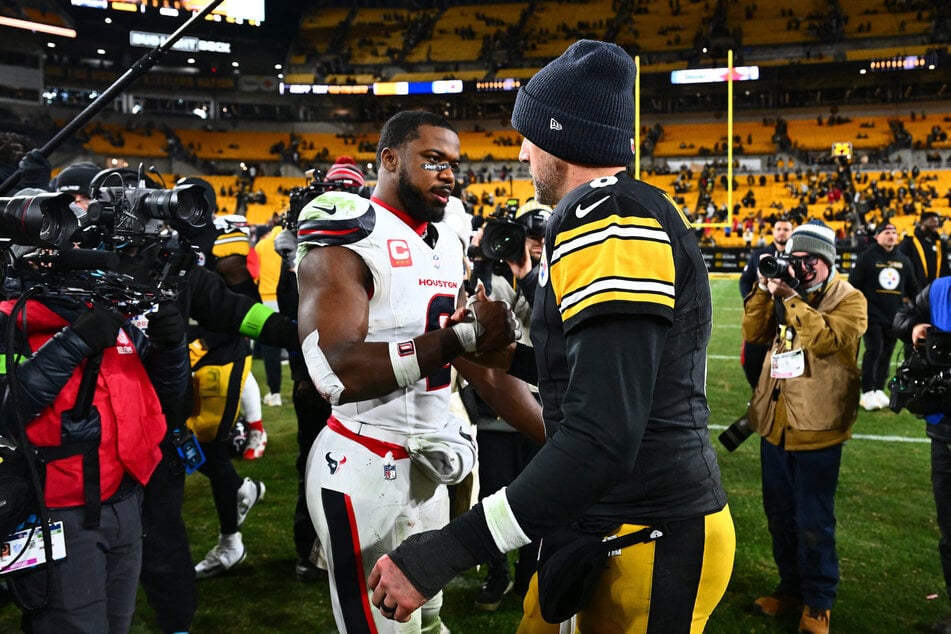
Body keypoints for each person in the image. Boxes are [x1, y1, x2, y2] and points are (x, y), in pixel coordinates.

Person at [368, 40, 735, 632]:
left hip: (646, 531)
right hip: (602, 522)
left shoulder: (610, 219)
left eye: (530, 136)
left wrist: (447, 550)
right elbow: (600, 380)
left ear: (562, 138)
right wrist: (506, 355)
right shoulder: (613, 211)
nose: (521, 152)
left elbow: (603, 436)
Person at [297, 110, 539, 633]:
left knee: (428, 621)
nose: (448, 174)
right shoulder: (350, 230)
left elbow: (474, 363)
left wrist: (566, 435)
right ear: (389, 159)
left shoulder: (449, 242)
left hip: (430, 467)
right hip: (363, 461)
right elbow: (335, 372)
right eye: (433, 160)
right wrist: (460, 337)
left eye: (453, 163)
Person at [0, 230, 190, 632]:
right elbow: (6, 409)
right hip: (55, 512)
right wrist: (74, 343)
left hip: (125, 501)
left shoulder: (104, 315)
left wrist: (170, 350)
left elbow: (166, 401)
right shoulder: (8, 321)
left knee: (116, 623)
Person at [742, 220, 868, 634]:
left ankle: (818, 601)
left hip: (819, 427)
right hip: (775, 423)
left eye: (808, 260)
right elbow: (753, 333)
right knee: (779, 514)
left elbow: (826, 341)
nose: (800, 268)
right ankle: (790, 588)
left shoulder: (851, 299)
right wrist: (764, 291)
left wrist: (792, 298)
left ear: (828, 261)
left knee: (813, 519)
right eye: (793, 260)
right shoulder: (783, 293)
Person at [468, 198, 549, 610]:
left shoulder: (563, 277)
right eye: (528, 236)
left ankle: (528, 576)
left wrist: (532, 278)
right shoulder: (490, 273)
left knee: (541, 494)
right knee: (494, 494)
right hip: (499, 405)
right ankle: (498, 573)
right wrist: (483, 260)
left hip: (543, 402)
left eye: (541, 236)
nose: (534, 244)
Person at [894, 277, 951, 634]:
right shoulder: (940, 290)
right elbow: (903, 314)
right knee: (950, 533)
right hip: (944, 429)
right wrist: (913, 327)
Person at [848, 221, 918, 411]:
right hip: (871, 314)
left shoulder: (903, 260)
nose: (891, 235)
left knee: (887, 352)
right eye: (886, 232)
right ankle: (867, 391)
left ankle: (879, 388)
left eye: (894, 232)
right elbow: (853, 285)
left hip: (894, 316)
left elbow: (912, 288)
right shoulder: (867, 257)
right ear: (877, 236)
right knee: (874, 350)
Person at [739, 217, 794, 388]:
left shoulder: (796, 256)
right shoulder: (759, 255)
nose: (782, 232)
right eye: (778, 229)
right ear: (773, 232)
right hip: (762, 317)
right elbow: (745, 281)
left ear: (791, 233)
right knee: (752, 360)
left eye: (786, 229)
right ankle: (757, 396)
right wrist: (754, 300)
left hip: (788, 318)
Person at [899, 211, 950, 290]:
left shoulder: (940, 243)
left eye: (937, 222)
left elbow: (945, 268)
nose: (936, 225)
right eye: (932, 222)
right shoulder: (909, 242)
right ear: (922, 222)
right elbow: (902, 267)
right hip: (915, 290)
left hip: (936, 290)